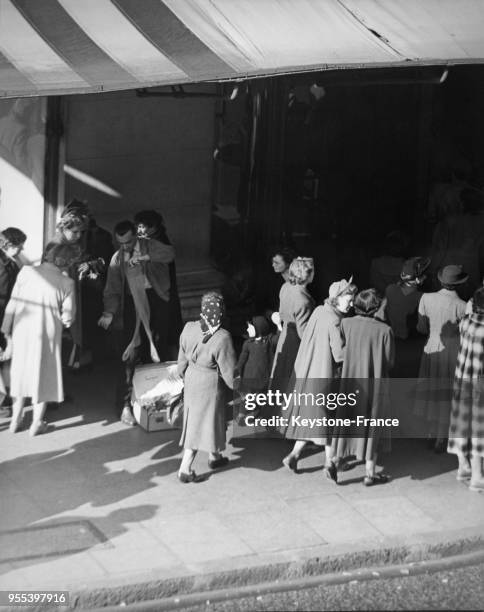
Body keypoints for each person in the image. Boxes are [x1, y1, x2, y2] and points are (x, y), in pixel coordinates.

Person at [280, 277, 357, 482]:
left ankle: (293, 456)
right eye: (348, 299)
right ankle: (331, 462)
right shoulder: (335, 320)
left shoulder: (320, 311)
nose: (351, 303)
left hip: (309, 373)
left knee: (314, 420)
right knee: (329, 422)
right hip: (326, 377)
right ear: (337, 298)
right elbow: (339, 355)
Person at [98, 220, 175, 425]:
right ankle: (125, 406)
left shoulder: (150, 245)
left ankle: (157, 405)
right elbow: (112, 289)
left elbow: (170, 254)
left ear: (136, 237)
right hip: (131, 307)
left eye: (129, 242)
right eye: (120, 243)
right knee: (129, 357)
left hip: (155, 302)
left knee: (158, 351)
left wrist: (146, 258)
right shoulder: (117, 259)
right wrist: (109, 312)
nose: (125, 247)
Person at [1, 243, 77, 435]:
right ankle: (36, 423)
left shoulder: (26, 272)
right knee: (44, 375)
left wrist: (5, 331)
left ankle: (15, 421)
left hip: (22, 330)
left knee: (20, 373)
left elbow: (13, 303)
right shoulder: (67, 282)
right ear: (68, 262)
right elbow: (68, 318)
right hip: (48, 331)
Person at [332, 289, 395, 486]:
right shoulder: (385, 331)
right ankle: (370, 473)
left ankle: (334, 461)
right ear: (376, 308)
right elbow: (389, 361)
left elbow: (344, 348)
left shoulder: (346, 323)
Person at [177, 292, 236, 482]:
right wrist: (240, 388)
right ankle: (185, 469)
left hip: (191, 379)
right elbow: (229, 371)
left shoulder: (189, 328)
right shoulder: (223, 337)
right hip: (210, 386)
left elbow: (181, 361)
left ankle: (215, 456)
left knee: (207, 421)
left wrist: (183, 375)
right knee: (201, 424)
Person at [415, 265, 468, 452]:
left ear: (440, 280)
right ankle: (440, 438)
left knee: (431, 389)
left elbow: (421, 328)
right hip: (452, 351)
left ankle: (430, 432)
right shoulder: (463, 306)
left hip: (431, 346)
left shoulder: (426, 298)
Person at [448, 287, 484, 491]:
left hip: (462, 379)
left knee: (462, 423)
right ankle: (477, 477)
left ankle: (463, 466)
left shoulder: (466, 323)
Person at [134, 210, 182, 359]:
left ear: (152, 227)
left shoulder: (160, 241)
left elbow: (168, 256)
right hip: (156, 291)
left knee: (163, 329)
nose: (139, 230)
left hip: (161, 292)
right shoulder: (148, 239)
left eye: (142, 226)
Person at [270, 257, 315, 400]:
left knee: (279, 379)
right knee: (291, 381)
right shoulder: (304, 300)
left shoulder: (285, 287)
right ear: (307, 274)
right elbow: (304, 333)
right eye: (313, 270)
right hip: (295, 343)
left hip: (285, 336)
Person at [385, 257, 429, 378]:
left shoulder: (390, 290)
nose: (426, 278)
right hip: (413, 349)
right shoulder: (422, 297)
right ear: (418, 279)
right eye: (424, 275)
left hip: (392, 346)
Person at [0, 228, 26, 416]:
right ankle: (2, 402)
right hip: (2, 316)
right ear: (8, 245)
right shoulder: (4, 265)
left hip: (7, 317)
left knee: (6, 359)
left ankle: (5, 398)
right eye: (19, 245)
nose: (21, 249)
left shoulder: (11, 263)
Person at [234, 315, 277, 423]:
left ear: (259, 328)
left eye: (250, 327)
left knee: (262, 396)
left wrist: (279, 325)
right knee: (248, 397)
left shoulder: (269, 341)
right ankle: (242, 414)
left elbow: (279, 340)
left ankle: (261, 412)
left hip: (263, 377)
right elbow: (242, 360)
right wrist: (237, 372)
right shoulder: (248, 344)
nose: (248, 329)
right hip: (249, 376)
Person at [369, 231, 407, 296]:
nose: (395, 247)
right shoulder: (376, 263)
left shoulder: (376, 263)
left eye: (397, 244)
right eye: (393, 244)